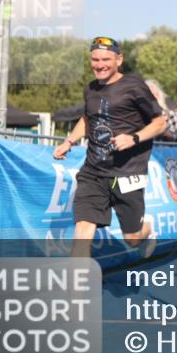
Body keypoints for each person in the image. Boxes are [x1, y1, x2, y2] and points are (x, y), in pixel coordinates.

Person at [53, 36, 166, 259]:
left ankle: (147, 229)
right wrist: (69, 141)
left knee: (132, 239)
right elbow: (87, 119)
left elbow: (160, 123)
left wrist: (134, 138)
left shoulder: (134, 86)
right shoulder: (90, 88)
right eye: (95, 59)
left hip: (127, 173)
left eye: (106, 59)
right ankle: (78, 281)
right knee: (82, 232)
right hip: (93, 172)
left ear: (119, 60)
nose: (99, 64)